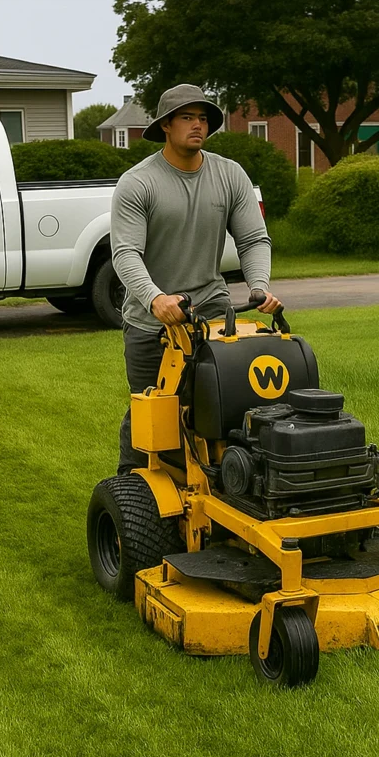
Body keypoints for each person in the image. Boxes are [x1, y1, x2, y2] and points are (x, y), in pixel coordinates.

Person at [110, 83, 281, 474]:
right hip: (151, 322)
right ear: (166, 125)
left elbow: (254, 238)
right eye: (187, 117)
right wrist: (156, 298)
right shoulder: (139, 183)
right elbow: (125, 253)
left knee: (227, 406)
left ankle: (223, 490)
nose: (198, 125)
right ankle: (128, 493)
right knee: (154, 412)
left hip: (214, 312)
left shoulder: (229, 174)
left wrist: (259, 286)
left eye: (203, 117)